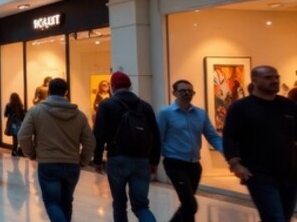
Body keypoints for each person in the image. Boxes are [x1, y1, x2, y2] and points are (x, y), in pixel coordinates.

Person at [223, 66, 297, 222]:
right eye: (268, 78)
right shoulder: (241, 107)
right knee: (274, 218)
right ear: (255, 80)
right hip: (257, 173)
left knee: (284, 216)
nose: (275, 81)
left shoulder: (288, 106)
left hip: (289, 172)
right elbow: (229, 137)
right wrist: (235, 164)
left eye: (276, 77)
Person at [16, 78, 96, 222]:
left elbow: (22, 135)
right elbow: (90, 141)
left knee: (52, 202)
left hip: (48, 164)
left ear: (49, 91)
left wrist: (32, 154)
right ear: (65, 92)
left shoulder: (37, 111)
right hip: (72, 164)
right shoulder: (79, 114)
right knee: (66, 202)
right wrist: (83, 161)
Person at [93, 71, 161, 222]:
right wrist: (154, 162)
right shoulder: (145, 106)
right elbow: (156, 136)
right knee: (142, 206)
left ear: (112, 87)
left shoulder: (107, 105)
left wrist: (97, 160)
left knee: (119, 204)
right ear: (130, 86)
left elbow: (99, 135)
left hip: (117, 159)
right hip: (142, 160)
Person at [158, 80, 224, 222]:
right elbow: (158, 138)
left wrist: (229, 153)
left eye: (190, 91)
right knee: (190, 205)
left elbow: (212, 136)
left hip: (194, 165)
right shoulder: (166, 113)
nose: (187, 93)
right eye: (183, 91)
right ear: (174, 93)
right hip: (174, 162)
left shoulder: (200, 114)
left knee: (187, 205)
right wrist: (152, 162)